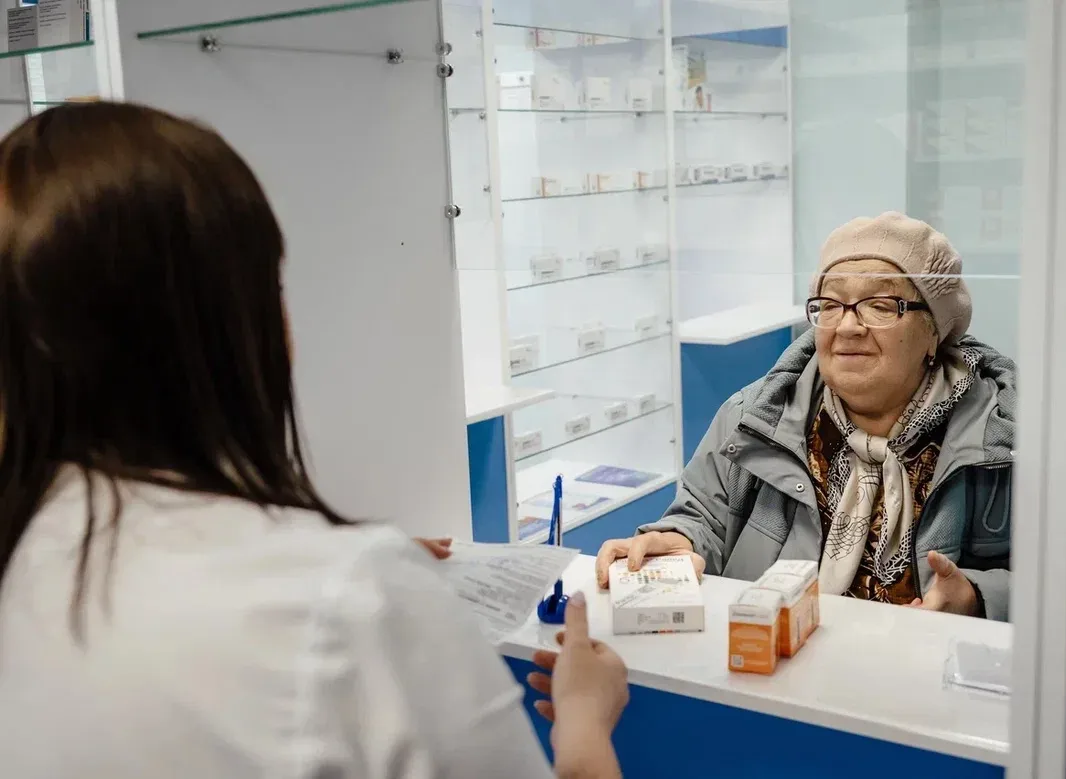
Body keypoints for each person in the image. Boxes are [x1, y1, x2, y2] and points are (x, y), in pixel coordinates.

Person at [0, 102, 628, 778]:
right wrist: (584, 722)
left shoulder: (30, 552)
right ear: (230, 329)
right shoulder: (350, 601)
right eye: (270, 288)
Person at [597, 212, 1014, 621]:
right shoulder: (754, 418)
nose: (848, 326)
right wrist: (679, 539)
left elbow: (1050, 580)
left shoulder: (1002, 438)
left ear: (934, 332)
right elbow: (702, 518)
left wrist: (977, 597)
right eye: (830, 305)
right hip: (779, 656)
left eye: (880, 305)